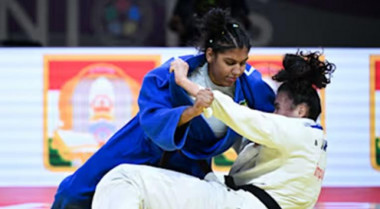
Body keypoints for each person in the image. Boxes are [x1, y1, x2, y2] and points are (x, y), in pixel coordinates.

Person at [51, 8, 275, 209]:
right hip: (140, 146)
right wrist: (192, 111)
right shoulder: (175, 73)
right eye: (230, 62)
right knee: (73, 194)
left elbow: (274, 124)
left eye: (243, 62)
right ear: (209, 55)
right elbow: (152, 121)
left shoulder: (251, 87)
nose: (237, 70)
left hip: (191, 164)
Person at [91, 51, 336, 209]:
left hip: (240, 204)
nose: (271, 113)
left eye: (276, 107)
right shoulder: (315, 142)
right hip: (243, 199)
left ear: (301, 111)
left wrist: (184, 82)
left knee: (123, 179)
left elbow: (239, 115)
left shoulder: (295, 130)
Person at [169, 0, 251, 46]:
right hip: (192, 38)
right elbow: (174, 22)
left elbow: (244, 19)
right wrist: (182, 27)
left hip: (226, 38)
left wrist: (235, 30)